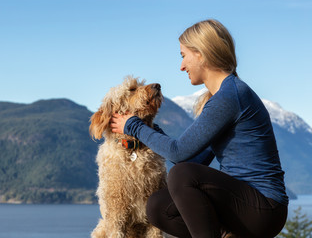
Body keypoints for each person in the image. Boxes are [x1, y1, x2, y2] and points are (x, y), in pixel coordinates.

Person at [110, 19, 288, 238]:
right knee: (158, 205)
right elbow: (190, 159)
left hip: (265, 208)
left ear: (201, 54)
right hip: (243, 204)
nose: (181, 66)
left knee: (182, 175)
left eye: (183, 55)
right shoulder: (224, 97)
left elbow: (178, 153)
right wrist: (150, 130)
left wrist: (134, 126)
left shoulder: (230, 96)